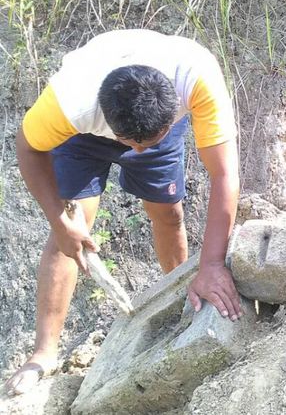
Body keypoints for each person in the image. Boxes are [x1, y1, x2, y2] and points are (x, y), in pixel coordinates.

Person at [5, 29, 242, 395]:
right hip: (83, 138)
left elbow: (224, 174)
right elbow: (27, 147)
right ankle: (44, 353)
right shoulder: (71, 102)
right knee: (70, 230)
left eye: (145, 144)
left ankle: (181, 302)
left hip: (150, 118)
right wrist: (58, 217)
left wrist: (211, 265)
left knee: (169, 215)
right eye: (128, 144)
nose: (135, 152)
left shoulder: (197, 78)